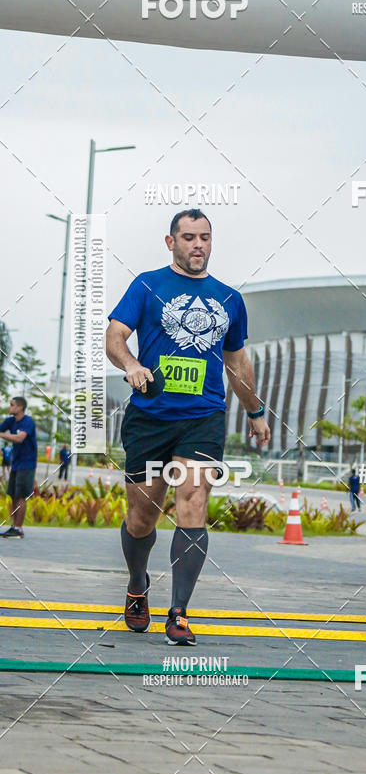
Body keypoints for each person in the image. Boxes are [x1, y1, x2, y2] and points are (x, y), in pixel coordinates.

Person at [106, 210, 270, 646]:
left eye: (205, 238)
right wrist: (133, 365)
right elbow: (115, 337)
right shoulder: (147, 286)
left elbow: (236, 362)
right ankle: (138, 584)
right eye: (188, 237)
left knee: (192, 502)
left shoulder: (229, 299)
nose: (197, 245)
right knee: (141, 517)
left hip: (202, 418)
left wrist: (254, 411)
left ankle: (178, 612)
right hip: (149, 417)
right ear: (170, 242)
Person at [0, 397, 37, 538]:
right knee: (13, 495)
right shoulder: (10, 421)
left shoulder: (28, 422)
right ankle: (13, 527)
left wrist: (1, 435)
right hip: (16, 464)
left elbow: (19, 438)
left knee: (21, 496)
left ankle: (19, 529)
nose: (9, 407)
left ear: (20, 408)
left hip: (27, 464)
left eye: (12, 405)